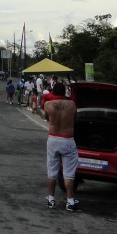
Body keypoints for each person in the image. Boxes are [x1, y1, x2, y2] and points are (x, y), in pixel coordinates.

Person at [43, 82, 80, 211]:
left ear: (53, 92)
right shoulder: (72, 105)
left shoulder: (48, 105)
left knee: (52, 172)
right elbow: (75, 120)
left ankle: (51, 200)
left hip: (53, 139)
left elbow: (48, 118)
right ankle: (70, 201)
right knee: (69, 173)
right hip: (67, 140)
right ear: (65, 92)